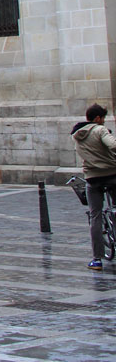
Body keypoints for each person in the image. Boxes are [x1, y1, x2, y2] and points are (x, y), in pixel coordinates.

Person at [71, 104, 116, 270]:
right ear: (98, 118)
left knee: (95, 216)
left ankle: (97, 259)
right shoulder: (100, 130)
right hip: (112, 175)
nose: (103, 121)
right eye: (103, 118)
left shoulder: (76, 135)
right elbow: (112, 145)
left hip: (92, 177)